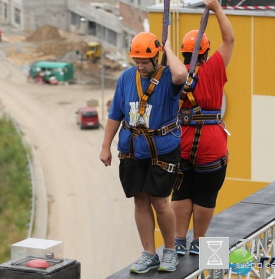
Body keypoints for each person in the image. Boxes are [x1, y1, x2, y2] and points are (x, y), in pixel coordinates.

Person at [100, 32, 188, 273]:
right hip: (132, 149)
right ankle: (148, 253)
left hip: (162, 150)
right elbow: (115, 114)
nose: (140, 66)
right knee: (139, 200)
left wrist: (169, 49)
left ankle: (169, 251)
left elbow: (182, 74)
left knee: (160, 201)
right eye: (136, 61)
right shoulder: (127, 78)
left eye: (144, 61)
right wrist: (105, 146)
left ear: (156, 58)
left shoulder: (169, 78)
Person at [172, 0, 235, 256]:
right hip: (210, 141)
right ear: (206, 52)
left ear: (184, 53)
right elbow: (229, 40)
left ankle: (178, 240)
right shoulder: (214, 68)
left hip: (182, 141)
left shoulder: (174, 74)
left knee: (182, 190)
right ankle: (199, 242)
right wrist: (217, 9)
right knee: (205, 194)